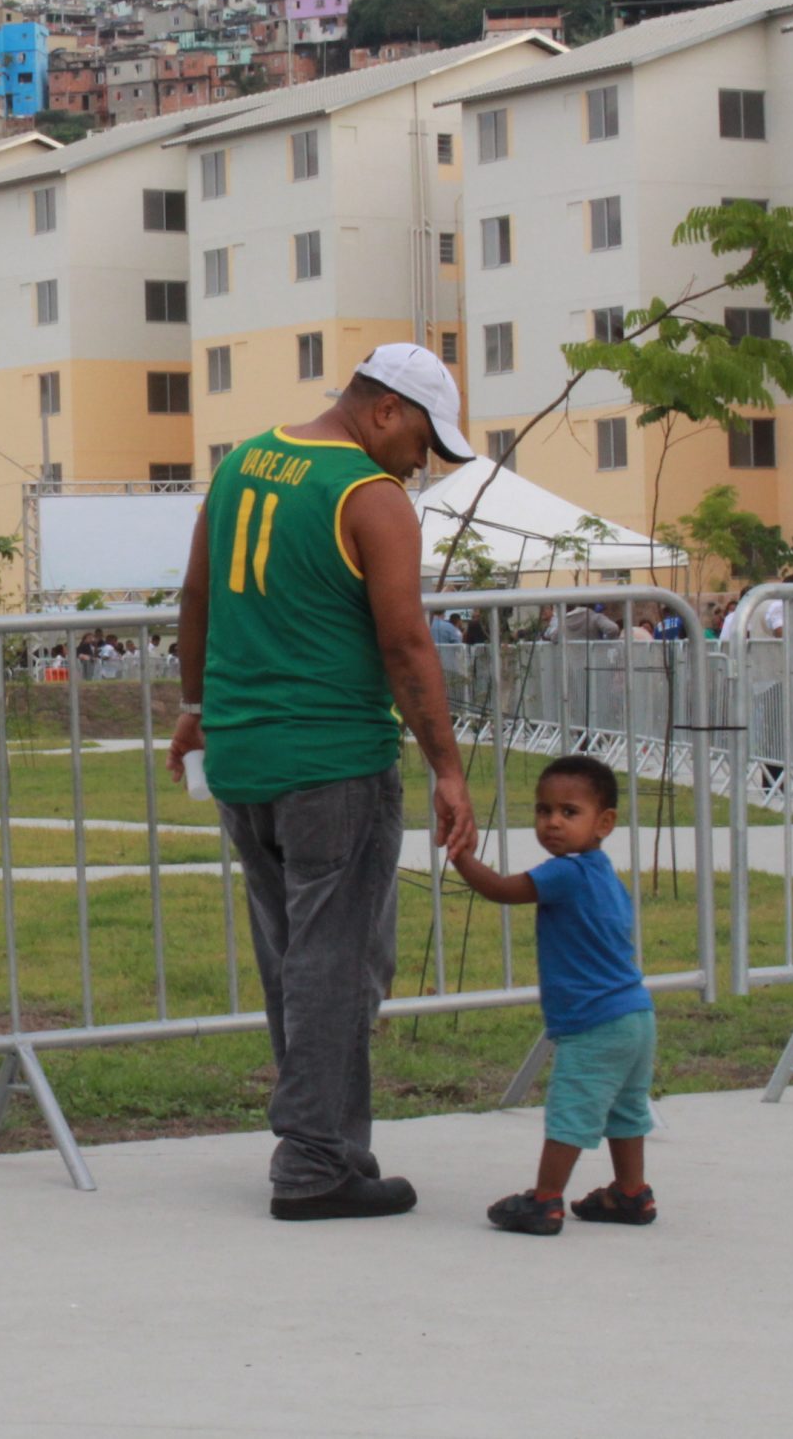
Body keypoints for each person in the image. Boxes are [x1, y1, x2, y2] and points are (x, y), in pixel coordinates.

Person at [170, 343, 479, 1221]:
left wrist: (194, 704)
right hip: (335, 760)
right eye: (423, 439)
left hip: (243, 758)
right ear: (385, 409)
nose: (422, 463)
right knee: (342, 961)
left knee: (296, 958)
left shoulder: (242, 467)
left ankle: (337, 1148)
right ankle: (311, 1159)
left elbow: (196, 596)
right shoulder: (370, 498)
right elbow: (407, 642)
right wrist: (448, 768)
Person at [447, 754, 659, 1236]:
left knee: (571, 1110)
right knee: (626, 1110)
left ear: (604, 822)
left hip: (595, 1023)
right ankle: (631, 1193)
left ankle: (544, 1202)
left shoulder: (566, 873)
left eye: (569, 812)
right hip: (635, 1017)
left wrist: (460, 855)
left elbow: (502, 890)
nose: (553, 823)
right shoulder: (602, 871)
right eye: (544, 811)